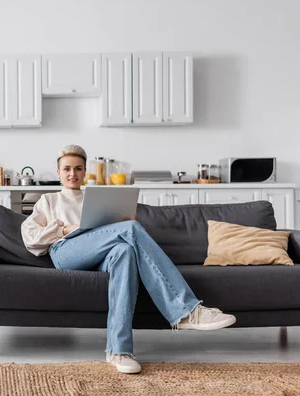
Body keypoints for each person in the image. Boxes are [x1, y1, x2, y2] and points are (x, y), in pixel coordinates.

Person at [20, 145, 236, 374]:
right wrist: (64, 229)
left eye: (78, 168)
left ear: (85, 172)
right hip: (66, 251)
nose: (72, 174)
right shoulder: (49, 200)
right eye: (67, 169)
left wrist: (119, 222)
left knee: (125, 252)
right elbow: (30, 237)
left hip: (102, 251)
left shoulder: (96, 198)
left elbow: (110, 235)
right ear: (58, 172)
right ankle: (186, 311)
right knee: (131, 229)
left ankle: (118, 351)